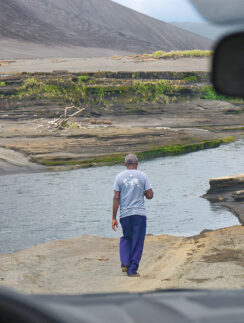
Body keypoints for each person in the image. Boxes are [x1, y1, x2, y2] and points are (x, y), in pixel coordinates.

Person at [112, 154, 153, 277]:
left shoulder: (118, 177)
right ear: (137, 163)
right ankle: (132, 270)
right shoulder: (143, 176)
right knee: (137, 241)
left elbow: (116, 197)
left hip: (125, 214)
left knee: (126, 237)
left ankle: (125, 262)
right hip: (139, 214)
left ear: (125, 164)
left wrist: (114, 217)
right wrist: (145, 193)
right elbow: (150, 195)